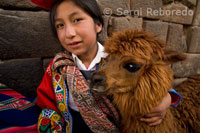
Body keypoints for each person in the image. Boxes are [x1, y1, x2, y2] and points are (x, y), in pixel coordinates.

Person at [29, 0, 182, 132]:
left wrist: (166, 98)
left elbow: (150, 81)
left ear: (98, 25)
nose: (69, 33)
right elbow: (46, 103)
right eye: (60, 25)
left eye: (77, 20)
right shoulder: (57, 69)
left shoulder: (118, 59)